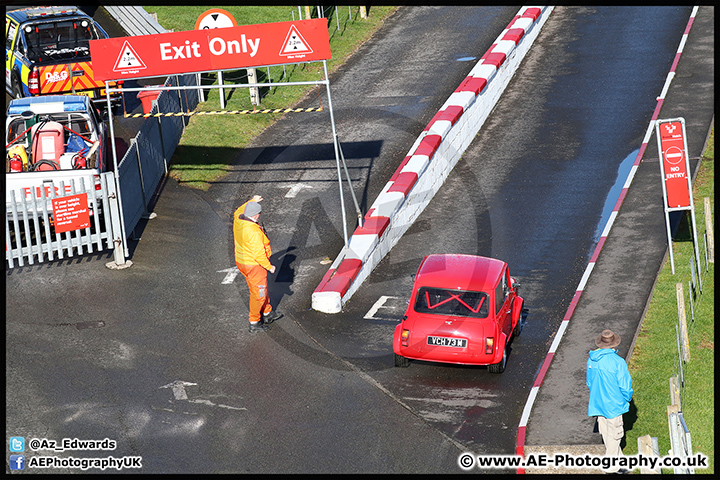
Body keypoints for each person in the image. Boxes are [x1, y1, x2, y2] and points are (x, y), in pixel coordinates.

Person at [586, 329, 634, 473]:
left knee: (607, 434)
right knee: (615, 435)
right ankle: (611, 466)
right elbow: (625, 386)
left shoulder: (591, 360)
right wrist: (627, 398)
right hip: (613, 404)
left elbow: (589, 382)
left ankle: (621, 462)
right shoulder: (618, 362)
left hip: (597, 402)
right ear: (614, 344)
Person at [233, 195, 281, 333]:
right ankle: (254, 322)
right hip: (254, 266)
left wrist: (252, 201)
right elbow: (258, 254)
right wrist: (269, 267)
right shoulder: (253, 231)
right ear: (256, 215)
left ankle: (267, 313)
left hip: (242, 262)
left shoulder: (238, 219)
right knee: (259, 293)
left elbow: (238, 210)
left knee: (258, 289)